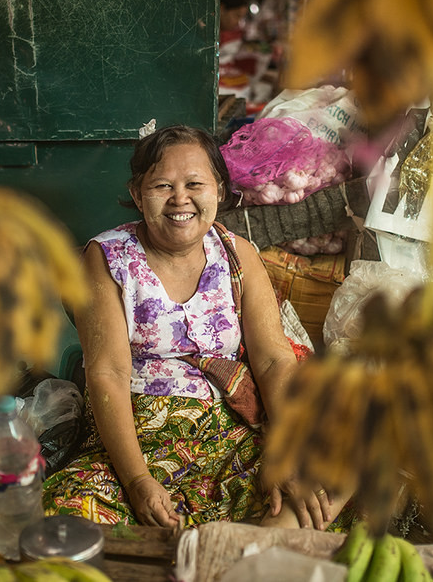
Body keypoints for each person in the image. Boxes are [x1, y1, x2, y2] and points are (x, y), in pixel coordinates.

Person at [43, 124, 352, 530]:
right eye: (161, 186)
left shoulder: (238, 254)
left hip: (231, 432)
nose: (180, 200)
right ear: (137, 194)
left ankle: (246, 555)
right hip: (139, 437)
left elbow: (275, 362)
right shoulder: (107, 259)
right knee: (68, 516)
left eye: (195, 184)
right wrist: (137, 481)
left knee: (336, 472)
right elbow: (108, 373)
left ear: (219, 191)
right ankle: (250, 553)